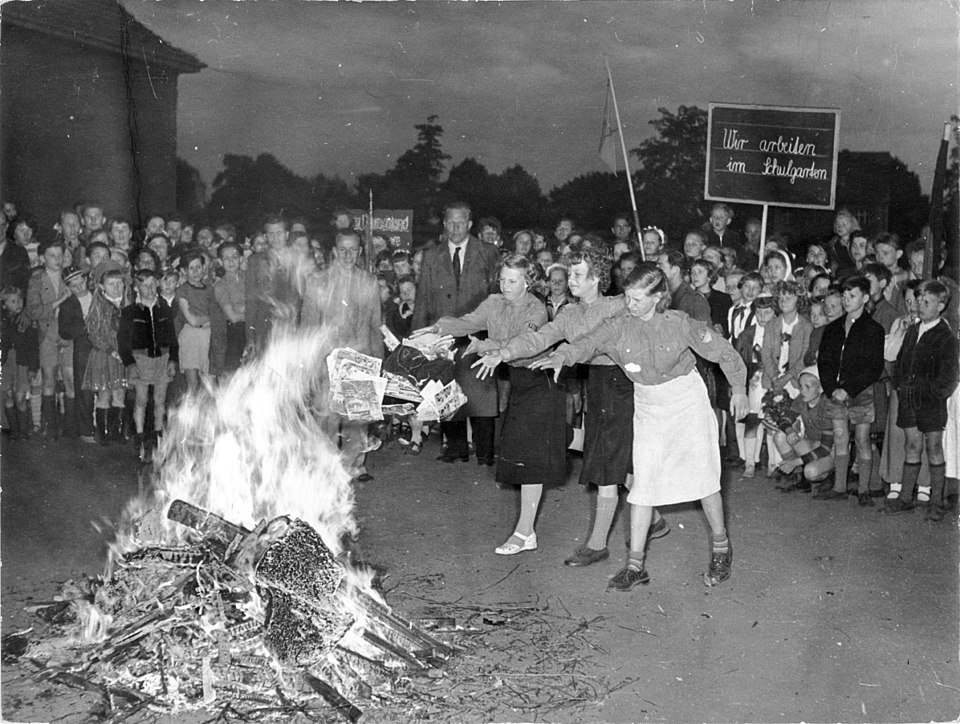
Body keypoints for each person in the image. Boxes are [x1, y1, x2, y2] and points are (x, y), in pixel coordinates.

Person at [532, 262, 747, 589]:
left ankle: (721, 548)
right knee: (644, 485)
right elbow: (588, 343)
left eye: (636, 299)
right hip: (648, 404)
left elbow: (724, 352)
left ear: (658, 297)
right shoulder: (620, 325)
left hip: (686, 400)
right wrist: (562, 357)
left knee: (704, 480)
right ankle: (635, 566)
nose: (628, 304)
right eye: (627, 297)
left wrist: (741, 389)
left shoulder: (679, 323)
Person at [472, 246, 671, 568]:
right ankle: (656, 518)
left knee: (606, 461)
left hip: (626, 385)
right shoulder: (569, 313)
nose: (570, 279)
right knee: (608, 454)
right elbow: (540, 338)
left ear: (597, 278)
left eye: (578, 274)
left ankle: (597, 545)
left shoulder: (619, 306)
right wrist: (505, 353)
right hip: (598, 384)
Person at [415, 253, 564, 555]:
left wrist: (486, 346)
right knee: (523, 454)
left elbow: (525, 344)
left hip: (540, 383)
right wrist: (440, 328)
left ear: (527, 282)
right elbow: (468, 322)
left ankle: (524, 534)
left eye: (513, 281)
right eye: (503, 279)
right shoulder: (495, 303)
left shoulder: (536, 310)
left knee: (530, 460)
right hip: (519, 384)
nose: (505, 285)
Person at [412, 202, 500, 466]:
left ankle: (485, 452)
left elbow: (497, 297)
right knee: (448, 391)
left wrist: (496, 338)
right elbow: (423, 298)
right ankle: (456, 448)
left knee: (482, 393)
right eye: (450, 222)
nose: (455, 227)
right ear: (444, 224)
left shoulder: (489, 252)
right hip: (443, 336)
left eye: (461, 222)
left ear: (470, 224)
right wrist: (418, 338)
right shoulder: (431, 255)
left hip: (478, 336)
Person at [302, 229, 383, 482]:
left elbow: (375, 324)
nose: (348, 255)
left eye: (353, 249)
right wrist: (311, 363)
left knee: (357, 418)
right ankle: (325, 468)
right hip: (327, 359)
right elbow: (308, 326)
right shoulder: (317, 282)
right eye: (343, 249)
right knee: (326, 417)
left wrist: (377, 363)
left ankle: (355, 466)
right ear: (335, 252)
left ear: (360, 252)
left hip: (359, 357)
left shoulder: (368, 282)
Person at [881, 280, 959, 519]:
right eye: (918, 301)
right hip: (909, 400)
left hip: (931, 403)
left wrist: (933, 393)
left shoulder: (945, 336)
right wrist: (900, 386)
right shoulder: (913, 330)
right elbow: (902, 361)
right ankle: (905, 497)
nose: (920, 306)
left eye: (927, 302)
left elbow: (949, 376)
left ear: (941, 305)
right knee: (911, 446)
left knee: (933, 448)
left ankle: (937, 501)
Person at [815, 276, 885, 504]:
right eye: (844, 296)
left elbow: (873, 367)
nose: (846, 300)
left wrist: (849, 389)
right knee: (840, 438)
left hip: (860, 393)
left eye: (852, 296)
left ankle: (863, 490)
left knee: (863, 440)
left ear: (865, 298)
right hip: (835, 393)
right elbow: (824, 362)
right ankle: (840, 487)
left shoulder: (873, 329)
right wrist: (831, 388)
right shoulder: (833, 328)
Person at [119, 269, 179, 460]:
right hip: (141, 359)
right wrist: (130, 363)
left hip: (162, 357)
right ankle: (139, 435)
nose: (149, 288)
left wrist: (172, 359)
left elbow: (173, 338)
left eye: (153, 284)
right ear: (136, 288)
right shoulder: (129, 312)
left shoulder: (165, 309)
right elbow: (123, 341)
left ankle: (158, 435)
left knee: (160, 400)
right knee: (141, 399)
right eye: (144, 285)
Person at [766, 366, 835, 493]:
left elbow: (825, 448)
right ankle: (799, 476)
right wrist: (789, 430)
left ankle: (830, 475)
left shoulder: (827, 405)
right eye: (801, 386)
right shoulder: (802, 400)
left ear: (820, 388)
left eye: (807, 387)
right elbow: (784, 419)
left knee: (811, 472)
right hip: (811, 444)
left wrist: (795, 462)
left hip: (828, 451)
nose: (803, 390)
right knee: (780, 436)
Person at [26, 240, 70, 437]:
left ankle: (70, 426)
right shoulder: (36, 280)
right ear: (43, 258)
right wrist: (59, 301)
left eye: (60, 255)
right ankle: (49, 425)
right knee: (49, 379)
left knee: (70, 380)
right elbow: (33, 311)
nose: (57, 260)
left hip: (68, 335)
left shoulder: (70, 277)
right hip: (47, 336)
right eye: (52, 255)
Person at [82, 268, 128, 444]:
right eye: (111, 284)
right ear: (102, 286)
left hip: (122, 353)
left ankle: (116, 431)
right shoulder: (99, 305)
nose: (116, 287)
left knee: (119, 393)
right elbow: (93, 333)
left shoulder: (126, 304)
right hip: (105, 354)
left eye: (119, 283)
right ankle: (102, 432)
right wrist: (112, 350)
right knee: (104, 394)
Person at [58, 266, 96, 443]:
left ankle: (105, 428)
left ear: (86, 279)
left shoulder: (98, 296)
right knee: (84, 388)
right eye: (75, 286)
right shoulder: (68, 304)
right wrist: (84, 328)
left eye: (82, 282)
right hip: (82, 346)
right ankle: (85, 430)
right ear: (68, 287)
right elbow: (64, 331)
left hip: (104, 345)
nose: (80, 287)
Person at [0, 285, 39, 440]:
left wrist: (33, 367)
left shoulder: (26, 320)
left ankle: (23, 431)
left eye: (19, 300)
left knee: (20, 397)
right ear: (4, 304)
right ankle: (14, 430)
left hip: (22, 362)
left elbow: (33, 346)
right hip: (6, 363)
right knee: (8, 396)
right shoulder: (3, 322)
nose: (17, 304)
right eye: (13, 301)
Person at [176, 251, 215, 392]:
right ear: (184, 271)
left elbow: (217, 314)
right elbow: (192, 320)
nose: (195, 271)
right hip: (191, 337)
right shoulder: (182, 290)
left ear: (204, 268)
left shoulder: (210, 289)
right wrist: (209, 318)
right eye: (191, 268)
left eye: (198, 267)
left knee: (209, 383)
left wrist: (208, 319)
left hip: (209, 336)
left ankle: (209, 413)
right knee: (193, 386)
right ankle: (191, 413)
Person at [213, 242, 246, 375]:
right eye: (226, 258)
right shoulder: (220, 286)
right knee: (235, 374)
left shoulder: (249, 278)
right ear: (220, 261)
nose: (231, 261)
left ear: (241, 259)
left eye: (234, 257)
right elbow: (232, 316)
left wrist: (243, 309)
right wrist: (251, 311)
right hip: (234, 332)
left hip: (254, 329)